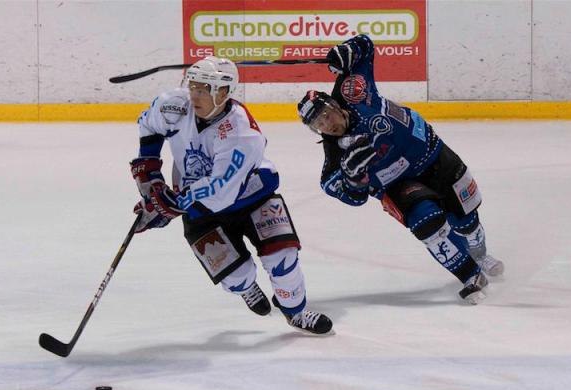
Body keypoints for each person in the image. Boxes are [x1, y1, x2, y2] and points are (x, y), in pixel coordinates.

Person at [130, 56, 333, 334]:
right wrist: (149, 178)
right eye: (193, 87)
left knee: (282, 259)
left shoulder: (241, 132)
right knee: (236, 277)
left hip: (251, 196)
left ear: (224, 92)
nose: (195, 95)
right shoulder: (174, 105)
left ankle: (296, 312)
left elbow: (221, 190)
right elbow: (150, 126)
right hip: (198, 209)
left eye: (204, 89)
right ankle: (247, 288)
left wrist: (170, 205)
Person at [297, 35, 504, 304]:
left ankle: (479, 255)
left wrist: (344, 52)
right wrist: (355, 178)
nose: (327, 124)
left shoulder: (353, 90)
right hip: (399, 186)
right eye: (318, 124)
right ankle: (470, 276)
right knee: (428, 225)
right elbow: (352, 197)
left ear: (333, 103)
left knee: (467, 221)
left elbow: (365, 46)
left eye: (326, 114)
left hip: (434, 155)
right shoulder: (335, 159)